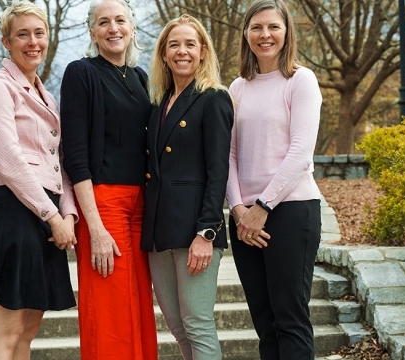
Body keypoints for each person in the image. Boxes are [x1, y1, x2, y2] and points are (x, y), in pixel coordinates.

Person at [0, 2, 78, 359]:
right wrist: (53, 216)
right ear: (6, 42)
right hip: (14, 213)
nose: (32, 42)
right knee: (6, 331)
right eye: (22, 34)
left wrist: (69, 213)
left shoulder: (46, 95)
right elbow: (9, 161)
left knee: (28, 331)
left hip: (45, 216)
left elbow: (60, 164)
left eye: (39, 33)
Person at [58, 0, 156, 358]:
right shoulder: (81, 73)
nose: (113, 28)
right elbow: (76, 157)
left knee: (139, 303)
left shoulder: (141, 77)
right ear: (92, 31)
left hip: (140, 204)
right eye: (103, 22)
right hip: (103, 203)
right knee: (110, 308)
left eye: (120, 20)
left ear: (132, 28)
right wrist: (95, 228)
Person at [226, 0, 323, 359]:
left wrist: (263, 206)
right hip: (245, 220)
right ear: (246, 34)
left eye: (273, 27)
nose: (265, 35)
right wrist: (238, 209)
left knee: (290, 319)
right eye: (256, 28)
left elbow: (300, 153)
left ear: (286, 33)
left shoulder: (301, 80)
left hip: (291, 212)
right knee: (264, 324)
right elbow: (229, 155)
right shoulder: (236, 88)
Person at [142, 14, 233, 360]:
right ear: (164, 54)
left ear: (203, 52)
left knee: (197, 323)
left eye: (190, 44)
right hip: (159, 232)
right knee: (178, 327)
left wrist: (206, 233)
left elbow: (218, 172)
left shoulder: (214, 98)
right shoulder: (158, 104)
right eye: (174, 44)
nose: (182, 51)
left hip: (195, 231)